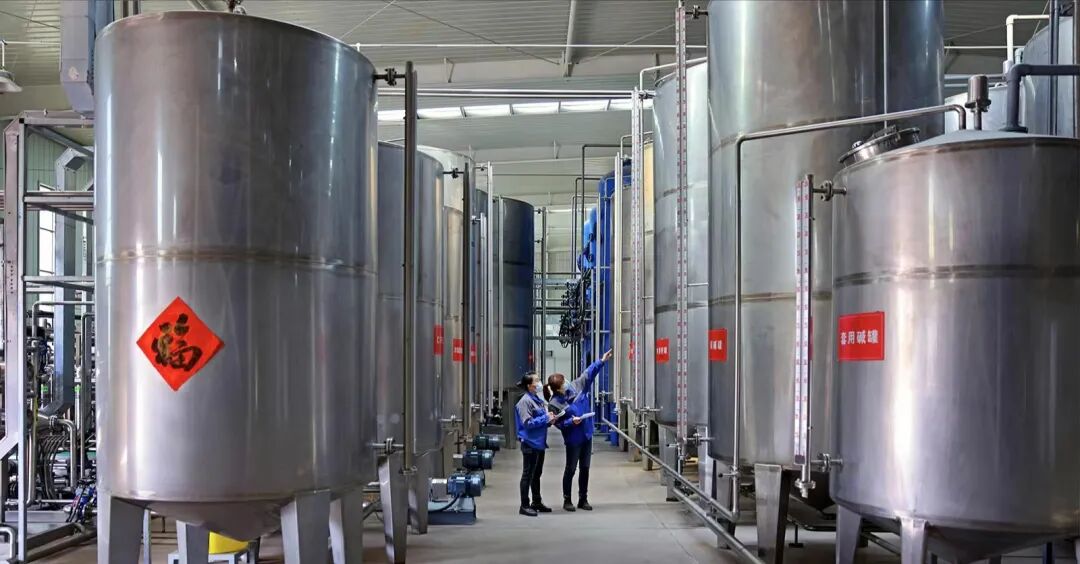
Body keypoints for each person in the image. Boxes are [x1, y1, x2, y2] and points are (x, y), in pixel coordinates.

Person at [544, 348, 614, 512]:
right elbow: (557, 423)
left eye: (565, 380)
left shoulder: (577, 386)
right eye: (563, 383)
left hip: (587, 435)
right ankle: (567, 500)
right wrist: (571, 422)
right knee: (570, 469)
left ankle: (583, 499)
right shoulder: (554, 403)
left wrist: (601, 361)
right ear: (558, 389)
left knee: (585, 468)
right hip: (573, 439)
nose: (566, 383)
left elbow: (588, 373)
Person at [514, 372, 557, 516]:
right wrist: (545, 418)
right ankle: (524, 505)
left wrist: (549, 420)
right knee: (528, 474)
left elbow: (540, 420)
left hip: (539, 443)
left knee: (536, 474)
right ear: (529, 385)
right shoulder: (524, 402)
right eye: (537, 380)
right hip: (530, 443)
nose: (539, 383)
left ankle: (536, 501)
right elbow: (527, 423)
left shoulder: (536, 400)